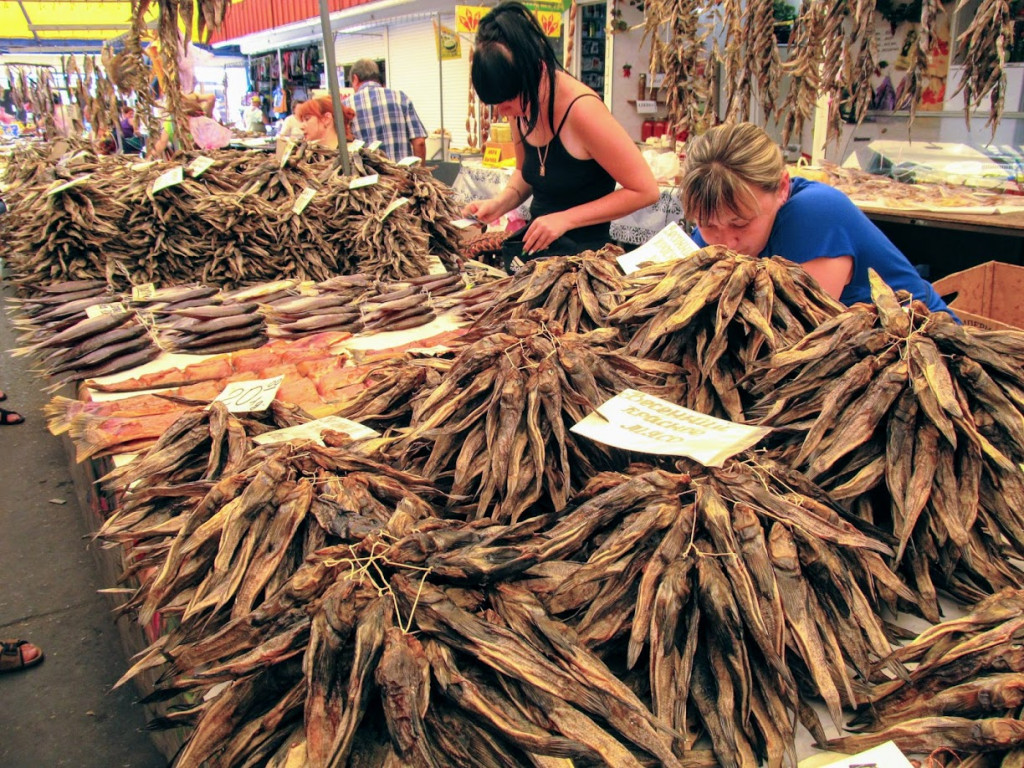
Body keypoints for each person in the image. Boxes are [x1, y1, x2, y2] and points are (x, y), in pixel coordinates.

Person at [680, 121, 955, 315]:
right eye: (707, 225)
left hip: (916, 353)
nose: (726, 242)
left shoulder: (816, 215)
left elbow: (800, 334)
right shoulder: (714, 222)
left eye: (740, 223)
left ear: (782, 188)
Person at [462, 2, 658, 259]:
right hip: (538, 255)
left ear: (537, 70)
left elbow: (645, 190)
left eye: (508, 103)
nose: (503, 113)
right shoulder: (519, 107)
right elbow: (525, 172)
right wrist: (500, 203)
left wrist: (566, 219)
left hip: (585, 260)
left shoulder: (583, 111)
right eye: (497, 105)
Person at [345, 58, 427, 161]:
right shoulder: (400, 98)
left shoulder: (346, 106)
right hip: (402, 175)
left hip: (366, 176)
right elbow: (419, 142)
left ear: (355, 79)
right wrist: (419, 173)